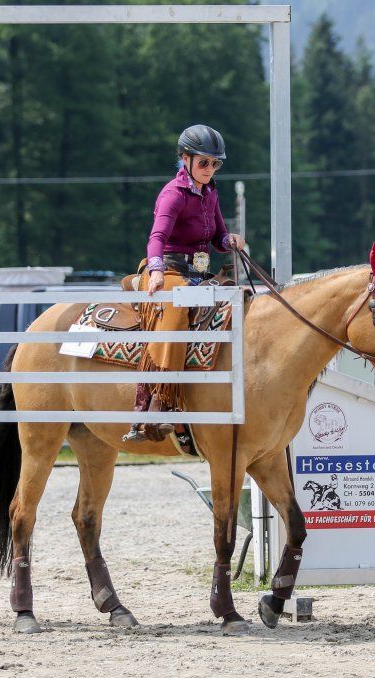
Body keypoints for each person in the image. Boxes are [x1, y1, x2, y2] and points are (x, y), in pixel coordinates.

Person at [122, 124, 246, 443]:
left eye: (215, 163)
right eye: (204, 162)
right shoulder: (172, 194)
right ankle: (154, 407)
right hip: (167, 269)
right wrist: (157, 270)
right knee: (177, 315)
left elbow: (217, 236)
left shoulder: (211, 193)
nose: (210, 169)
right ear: (185, 159)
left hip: (198, 273)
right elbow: (157, 238)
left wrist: (229, 239)